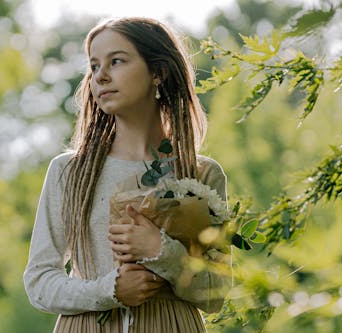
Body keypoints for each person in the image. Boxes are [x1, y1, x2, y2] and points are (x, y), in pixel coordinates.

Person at [23, 17, 230, 333]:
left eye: (116, 61)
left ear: (158, 72)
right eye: (94, 67)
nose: (100, 76)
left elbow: (216, 294)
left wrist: (163, 251)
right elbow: (39, 281)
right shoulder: (68, 172)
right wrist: (108, 290)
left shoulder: (202, 174)